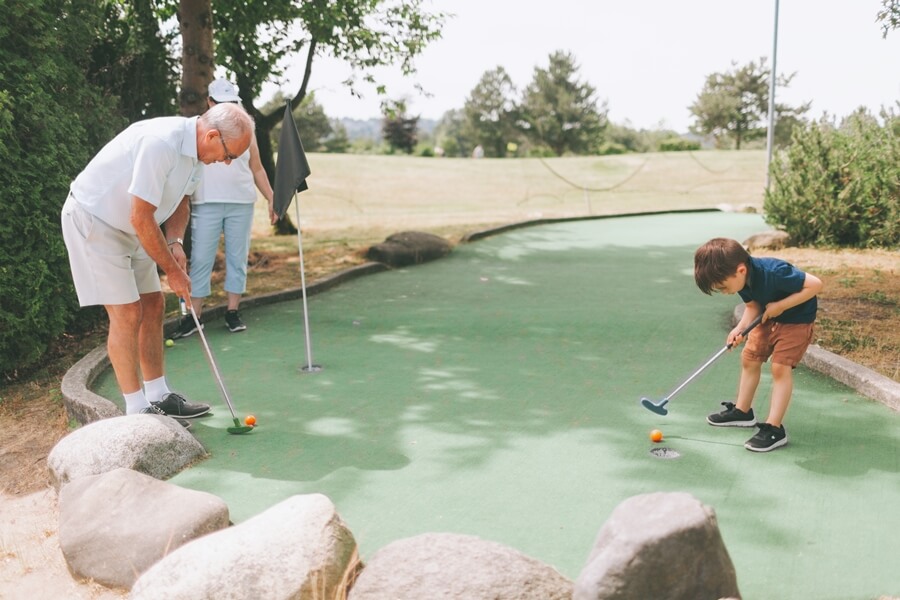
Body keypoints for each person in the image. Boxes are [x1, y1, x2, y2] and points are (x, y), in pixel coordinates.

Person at [61, 102, 256, 426]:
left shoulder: (196, 153)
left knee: (153, 304)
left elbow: (181, 200)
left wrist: (175, 241)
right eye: (228, 155)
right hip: (95, 220)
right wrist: (174, 272)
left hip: (133, 224)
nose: (226, 162)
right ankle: (137, 409)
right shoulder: (161, 143)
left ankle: (158, 395)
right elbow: (140, 215)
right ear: (211, 135)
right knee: (126, 312)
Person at [694, 238, 823, 452]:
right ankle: (743, 412)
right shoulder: (742, 280)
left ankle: (774, 428)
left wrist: (781, 306)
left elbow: (816, 284)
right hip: (766, 317)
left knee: (779, 368)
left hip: (797, 321)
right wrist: (740, 329)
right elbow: (753, 306)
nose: (725, 292)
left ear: (741, 270)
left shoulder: (775, 272)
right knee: (749, 358)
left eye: (724, 287)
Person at [172, 78, 276, 337]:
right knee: (201, 260)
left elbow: (258, 168)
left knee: (237, 259)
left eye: (230, 102)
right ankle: (195, 317)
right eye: (220, 102)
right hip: (206, 201)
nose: (226, 106)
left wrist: (272, 198)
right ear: (210, 102)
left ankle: (232, 311)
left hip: (241, 201)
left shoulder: (245, 127)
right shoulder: (202, 129)